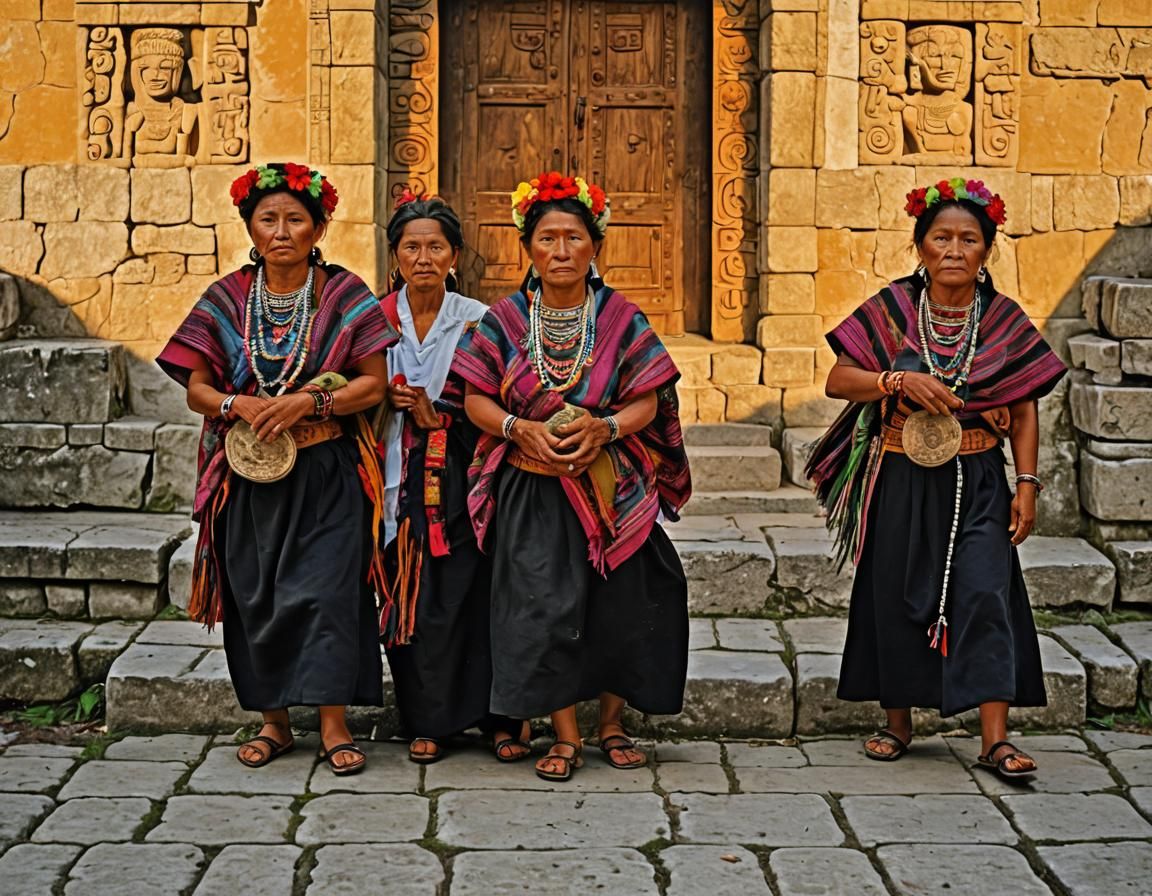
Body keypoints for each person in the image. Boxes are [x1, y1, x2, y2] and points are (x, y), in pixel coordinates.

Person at [808, 177, 1066, 780]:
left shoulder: (1001, 318)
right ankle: (898, 724)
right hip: (900, 472)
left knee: (985, 590)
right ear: (920, 245)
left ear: (987, 251)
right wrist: (895, 382)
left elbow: (1024, 406)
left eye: (969, 239)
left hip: (977, 477)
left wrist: (1026, 484)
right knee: (895, 591)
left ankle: (994, 738)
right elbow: (838, 379)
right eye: (941, 237)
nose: (954, 248)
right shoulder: (893, 307)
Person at [157, 162, 397, 776]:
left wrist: (311, 401)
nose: (282, 230)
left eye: (296, 219)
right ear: (251, 226)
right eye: (269, 219)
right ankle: (274, 722)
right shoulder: (226, 298)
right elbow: (198, 389)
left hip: (326, 471)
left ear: (319, 227)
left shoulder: (345, 294)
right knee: (256, 593)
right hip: (249, 475)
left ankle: (335, 725)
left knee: (330, 593)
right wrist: (241, 404)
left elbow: (372, 385)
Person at [453, 171, 692, 781]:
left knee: (630, 600)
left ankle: (611, 723)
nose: (561, 251)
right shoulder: (504, 320)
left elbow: (650, 397)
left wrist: (605, 429)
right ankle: (564, 735)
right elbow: (476, 396)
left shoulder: (620, 316)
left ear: (595, 247)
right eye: (547, 240)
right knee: (542, 607)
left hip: (612, 484)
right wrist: (518, 429)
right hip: (533, 486)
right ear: (527, 249)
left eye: (574, 239)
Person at [378, 190, 530, 765]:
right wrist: (384, 402)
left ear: (454, 255)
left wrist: (439, 412)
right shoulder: (374, 320)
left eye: (435, 247)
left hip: (465, 480)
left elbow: (496, 394)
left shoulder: (478, 320)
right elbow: (353, 387)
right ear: (395, 257)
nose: (423, 258)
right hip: (395, 477)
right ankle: (427, 720)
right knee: (410, 593)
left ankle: (496, 718)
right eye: (411, 247)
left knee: (473, 592)